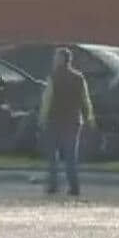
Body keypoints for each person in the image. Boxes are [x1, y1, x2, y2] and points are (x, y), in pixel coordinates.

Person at [39, 47, 95, 197]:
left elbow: (47, 100)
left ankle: (53, 185)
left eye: (56, 57)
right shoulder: (79, 78)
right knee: (71, 156)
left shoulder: (53, 77)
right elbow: (85, 100)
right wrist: (89, 118)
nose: (54, 60)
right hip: (73, 121)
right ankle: (74, 187)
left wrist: (42, 118)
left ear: (62, 60)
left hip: (55, 120)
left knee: (53, 156)